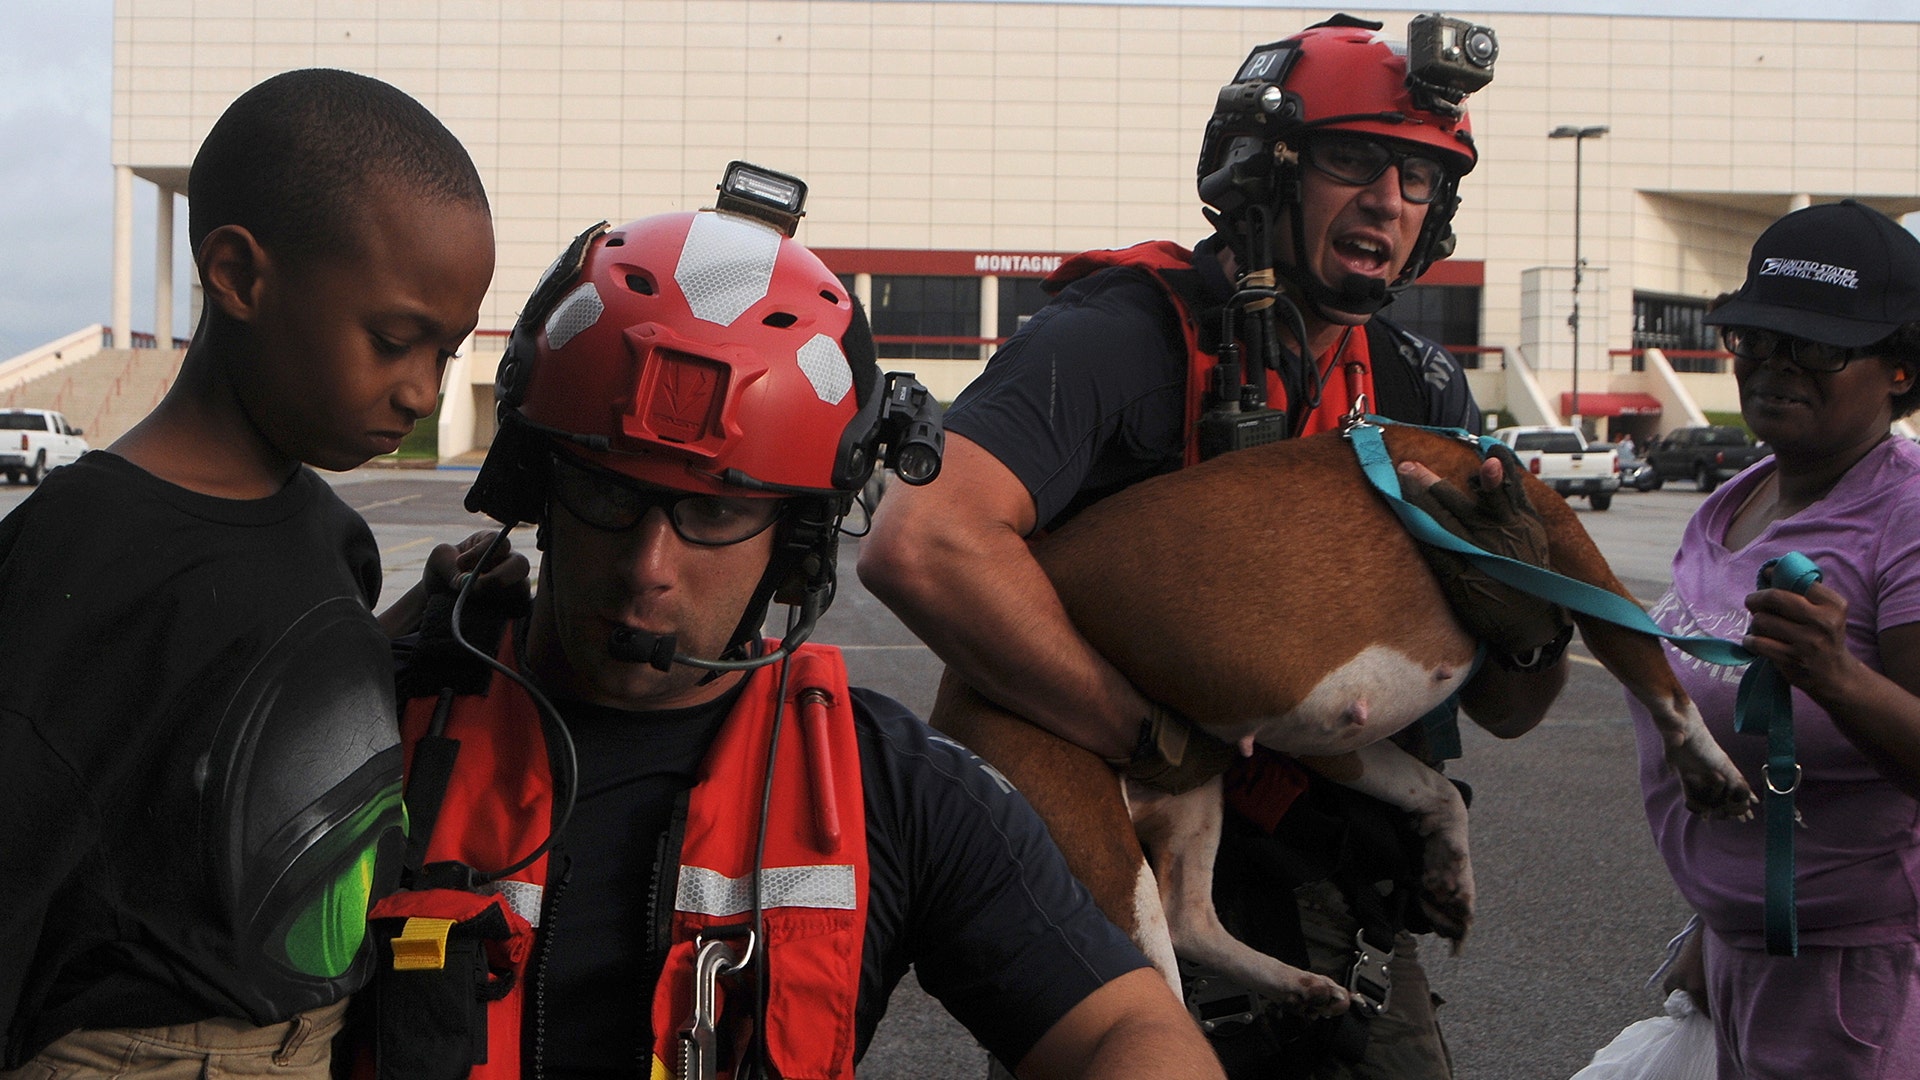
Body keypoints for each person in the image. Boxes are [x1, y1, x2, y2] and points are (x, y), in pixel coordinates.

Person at [353, 166, 1224, 1080]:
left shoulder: (885, 788)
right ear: (539, 483)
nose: (649, 568)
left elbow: (1131, 1031)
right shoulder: (371, 716)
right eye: (611, 493)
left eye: (717, 513)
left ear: (799, 539)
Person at [860, 14, 1569, 1080]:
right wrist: (1141, 728)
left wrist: (1529, 627)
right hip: (1112, 894)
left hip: (1336, 900)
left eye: (1420, 177)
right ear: (1259, 169)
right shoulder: (1119, 336)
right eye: (1351, 158)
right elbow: (924, 541)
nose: (1387, 198)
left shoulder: (1423, 387)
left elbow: (1511, 714)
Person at [0, 69, 495, 1076]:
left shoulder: (327, 531)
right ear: (237, 274)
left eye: (445, 354)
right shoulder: (86, 549)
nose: (418, 389)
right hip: (143, 1055)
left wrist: (422, 626)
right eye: (395, 340)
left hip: (314, 1041)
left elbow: (250, 704)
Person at [1635, 199, 1920, 1079]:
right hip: (1752, 956)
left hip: (1860, 982)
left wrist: (1836, 675)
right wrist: (1716, 926)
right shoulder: (1738, 497)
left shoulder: (1905, 517)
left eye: (1820, 349)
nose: (1774, 368)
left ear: (1902, 370)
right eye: (1756, 338)